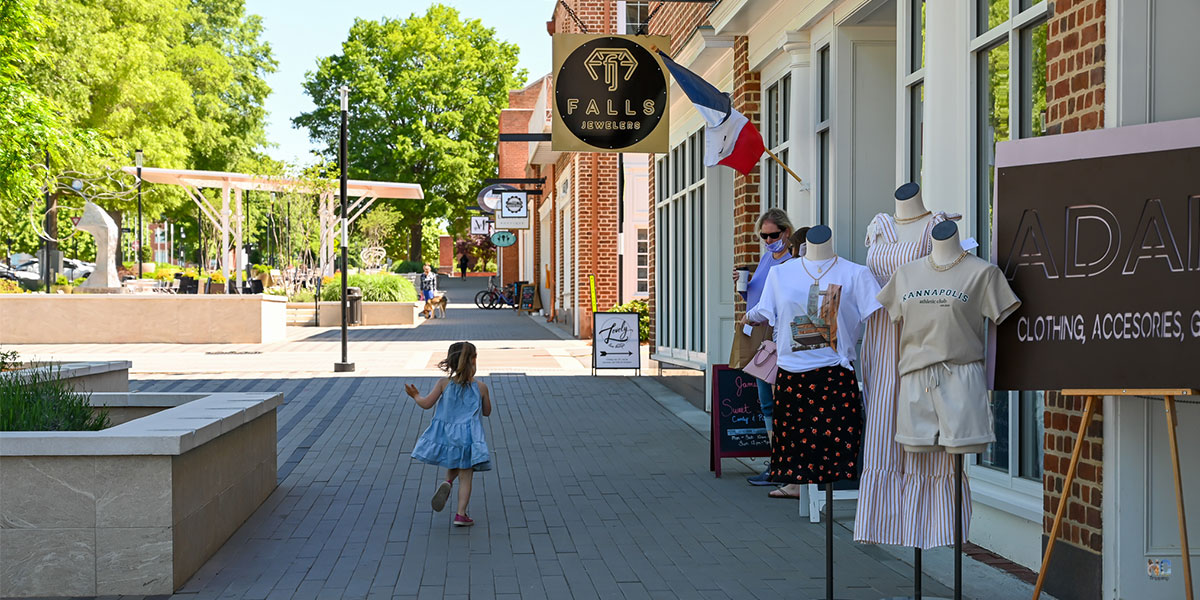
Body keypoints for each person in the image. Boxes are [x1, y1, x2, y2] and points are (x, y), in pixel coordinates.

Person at [730, 208, 800, 499]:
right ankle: (776, 462)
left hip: (776, 336)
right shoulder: (766, 259)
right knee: (766, 403)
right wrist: (742, 287)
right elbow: (758, 297)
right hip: (759, 334)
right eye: (764, 235)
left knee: (776, 403)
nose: (769, 240)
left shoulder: (792, 262)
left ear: (786, 232)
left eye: (774, 234)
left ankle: (781, 465)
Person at [405, 341, 492, 527]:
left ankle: (448, 482)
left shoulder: (444, 383)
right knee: (466, 475)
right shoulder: (481, 387)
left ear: (450, 362)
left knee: (454, 460)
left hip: (448, 436)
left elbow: (427, 404)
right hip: (469, 437)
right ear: (474, 360)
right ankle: (461, 514)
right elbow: (487, 411)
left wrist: (415, 396)